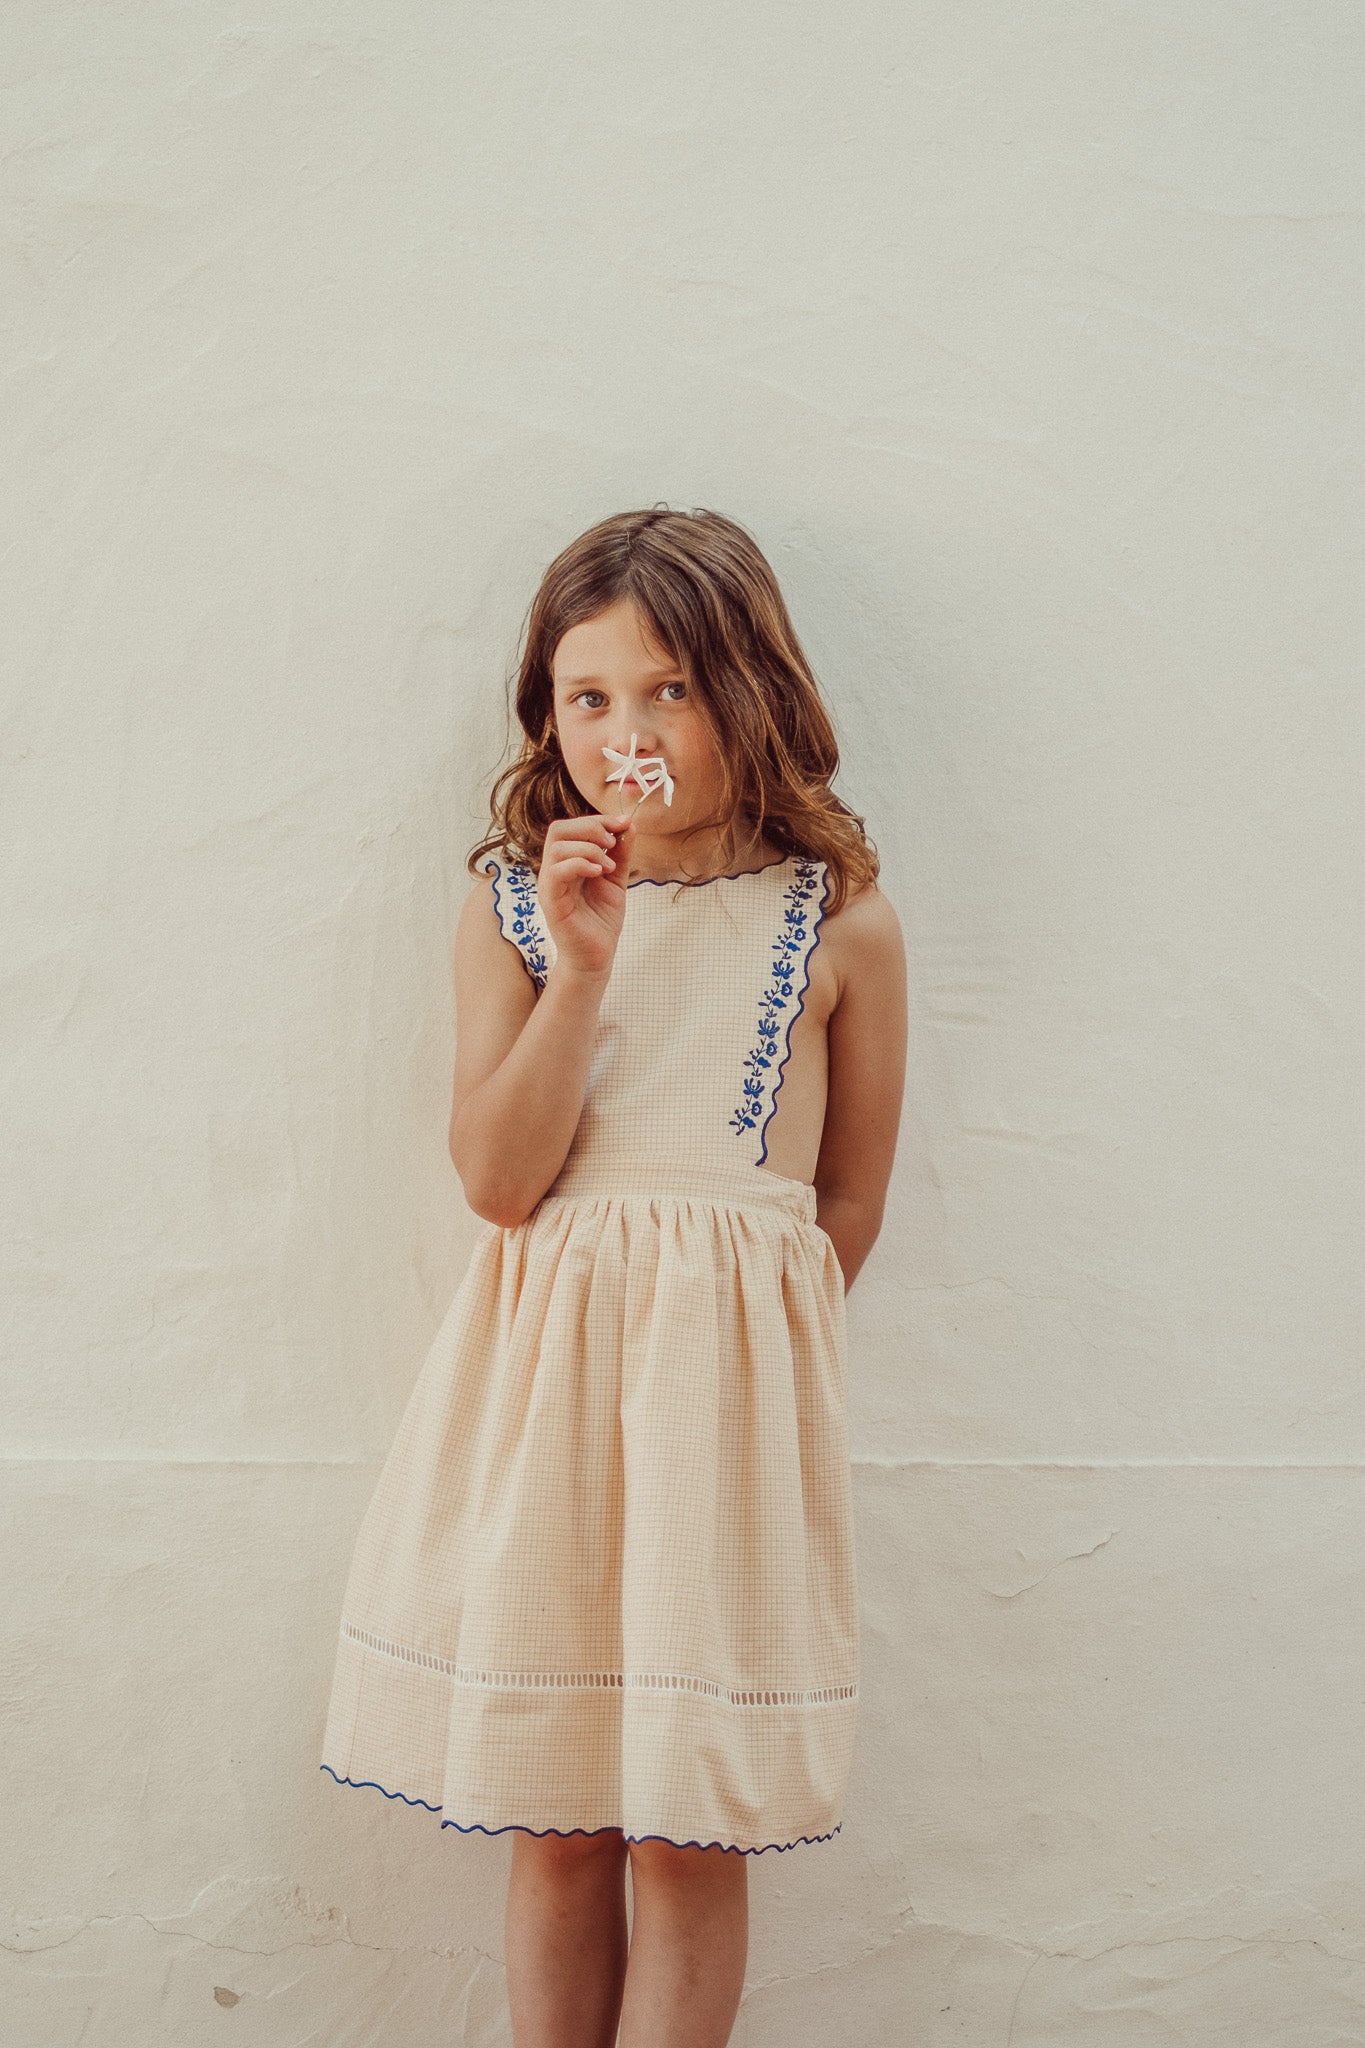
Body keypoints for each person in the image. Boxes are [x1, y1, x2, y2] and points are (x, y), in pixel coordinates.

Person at [319, 506, 908, 2047]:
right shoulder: (514, 910)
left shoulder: (839, 920)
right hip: (545, 1417)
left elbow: (846, 1200)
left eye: (667, 691)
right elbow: (498, 1182)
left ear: (749, 691)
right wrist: (583, 965)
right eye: (587, 697)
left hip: (722, 1424)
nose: (623, 734)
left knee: (686, 1826)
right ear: (547, 713)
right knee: (564, 1813)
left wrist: (739, 1350)